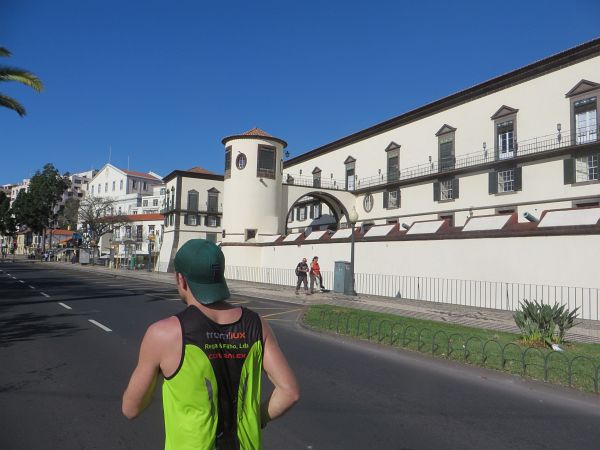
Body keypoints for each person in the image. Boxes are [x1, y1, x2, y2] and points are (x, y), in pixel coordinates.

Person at [122, 239, 299, 450]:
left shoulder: (164, 334)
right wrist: (257, 419)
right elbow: (290, 392)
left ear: (181, 279)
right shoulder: (256, 325)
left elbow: (131, 408)